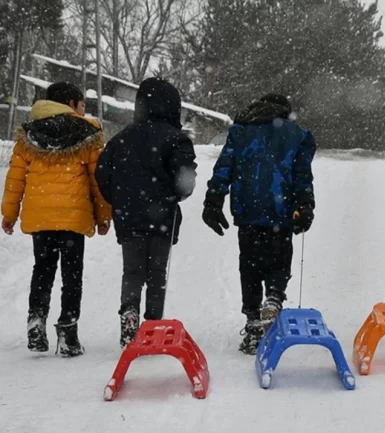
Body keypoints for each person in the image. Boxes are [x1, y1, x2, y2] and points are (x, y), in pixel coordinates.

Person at [1, 82, 112, 357]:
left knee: (43, 269)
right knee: (72, 275)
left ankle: (36, 319)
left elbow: (15, 178)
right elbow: (97, 181)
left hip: (41, 218)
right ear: (72, 104)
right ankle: (68, 332)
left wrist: (9, 213)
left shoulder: (29, 134)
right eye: (83, 104)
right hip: (73, 218)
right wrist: (103, 215)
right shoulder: (87, 132)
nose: (85, 110)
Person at [202, 93, 315, 355]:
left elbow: (224, 167)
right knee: (280, 259)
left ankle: (253, 324)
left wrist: (213, 200)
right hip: (282, 209)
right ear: (285, 111)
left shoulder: (241, 130)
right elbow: (302, 175)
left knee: (250, 264)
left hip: (248, 209)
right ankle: (274, 298)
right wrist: (305, 205)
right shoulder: (297, 134)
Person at [96, 77, 197, 348]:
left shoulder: (121, 139)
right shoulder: (176, 139)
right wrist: (177, 195)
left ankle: (129, 314)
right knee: (156, 273)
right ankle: (152, 325)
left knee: (132, 271)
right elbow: (185, 182)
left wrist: (118, 200)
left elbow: (103, 175)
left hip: (129, 217)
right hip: (162, 217)